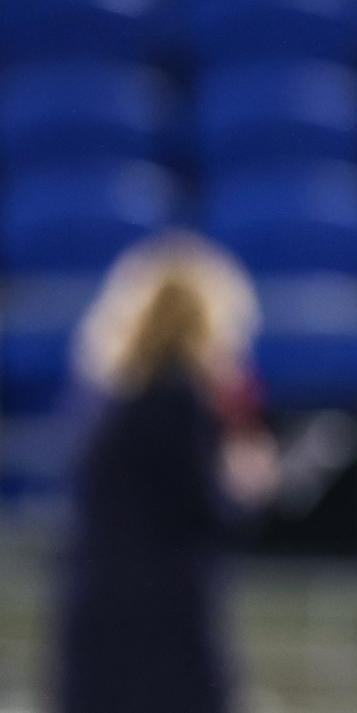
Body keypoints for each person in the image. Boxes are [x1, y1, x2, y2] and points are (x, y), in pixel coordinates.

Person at [54, 230, 278, 713]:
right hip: (162, 622)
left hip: (99, 608)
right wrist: (245, 484)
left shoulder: (113, 398)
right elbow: (205, 515)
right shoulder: (180, 400)